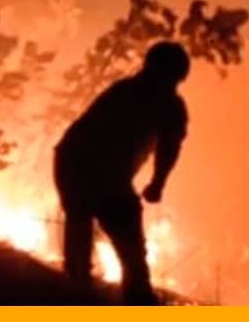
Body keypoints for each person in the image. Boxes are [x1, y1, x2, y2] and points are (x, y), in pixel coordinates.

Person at [53, 41, 191, 305]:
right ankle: (126, 298)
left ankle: (80, 292)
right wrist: (157, 184)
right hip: (92, 168)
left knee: (82, 232)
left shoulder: (126, 90)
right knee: (127, 251)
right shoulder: (169, 105)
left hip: (73, 161)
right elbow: (169, 149)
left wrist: (156, 183)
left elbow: (167, 147)